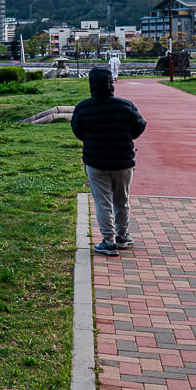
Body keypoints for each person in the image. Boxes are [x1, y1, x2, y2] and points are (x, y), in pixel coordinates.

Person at [70, 67, 147, 257]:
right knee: (122, 200)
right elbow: (139, 127)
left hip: (96, 161)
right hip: (123, 161)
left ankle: (108, 241)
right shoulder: (125, 106)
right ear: (111, 84)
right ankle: (122, 236)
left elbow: (78, 131)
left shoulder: (83, 108)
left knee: (103, 202)